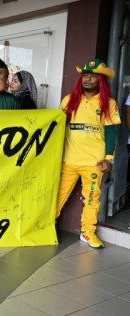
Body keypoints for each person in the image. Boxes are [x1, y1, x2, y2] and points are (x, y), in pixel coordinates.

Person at [55, 58, 120, 248]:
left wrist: (109, 159)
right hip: (68, 160)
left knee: (92, 198)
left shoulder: (108, 102)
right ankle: (46, 225)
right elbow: (58, 127)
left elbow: (111, 131)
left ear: (100, 80)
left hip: (94, 162)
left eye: (93, 76)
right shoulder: (69, 100)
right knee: (57, 195)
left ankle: (88, 232)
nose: (88, 79)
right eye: (85, 75)